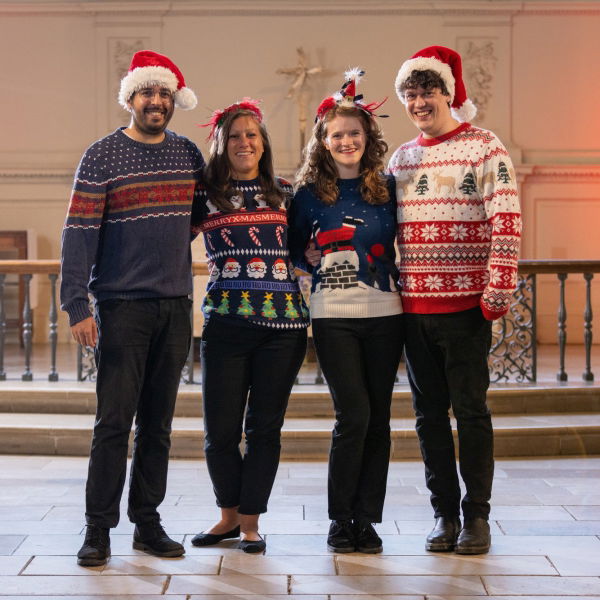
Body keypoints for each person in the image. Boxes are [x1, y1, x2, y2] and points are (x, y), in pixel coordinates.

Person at [60, 50, 203, 566]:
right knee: (114, 423)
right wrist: (77, 303)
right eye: (147, 93)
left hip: (174, 306)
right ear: (130, 97)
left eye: (164, 93)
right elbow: (79, 232)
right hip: (121, 308)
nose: (156, 101)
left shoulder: (189, 154)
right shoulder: (102, 155)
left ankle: (148, 523)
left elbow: (204, 216)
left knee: (159, 426)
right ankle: (98, 528)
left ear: (173, 100)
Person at [388, 46, 521, 554]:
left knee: (470, 412)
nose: (420, 102)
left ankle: (477, 517)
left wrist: (497, 289)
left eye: (428, 91)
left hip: (466, 308)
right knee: (427, 418)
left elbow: (506, 221)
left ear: (449, 93)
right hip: (414, 308)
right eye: (411, 93)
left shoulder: (485, 147)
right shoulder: (402, 158)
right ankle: (443, 514)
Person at [289, 70, 404, 554]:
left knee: (378, 419)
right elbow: (293, 250)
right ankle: (340, 518)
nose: (347, 140)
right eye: (337, 134)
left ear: (367, 136)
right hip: (334, 313)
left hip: (386, 312)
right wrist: (307, 260)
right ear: (324, 140)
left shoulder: (389, 186)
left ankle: (367, 519)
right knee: (353, 414)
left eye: (354, 132)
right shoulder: (309, 194)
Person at [189, 99, 309, 553]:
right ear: (222, 143)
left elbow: (301, 250)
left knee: (263, 430)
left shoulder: (284, 192)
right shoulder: (205, 195)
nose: (244, 142)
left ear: (263, 144)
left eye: (252, 135)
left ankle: (251, 524)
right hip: (225, 324)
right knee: (219, 431)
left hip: (283, 330)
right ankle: (226, 516)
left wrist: (313, 258)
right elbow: (169, 236)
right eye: (235, 135)